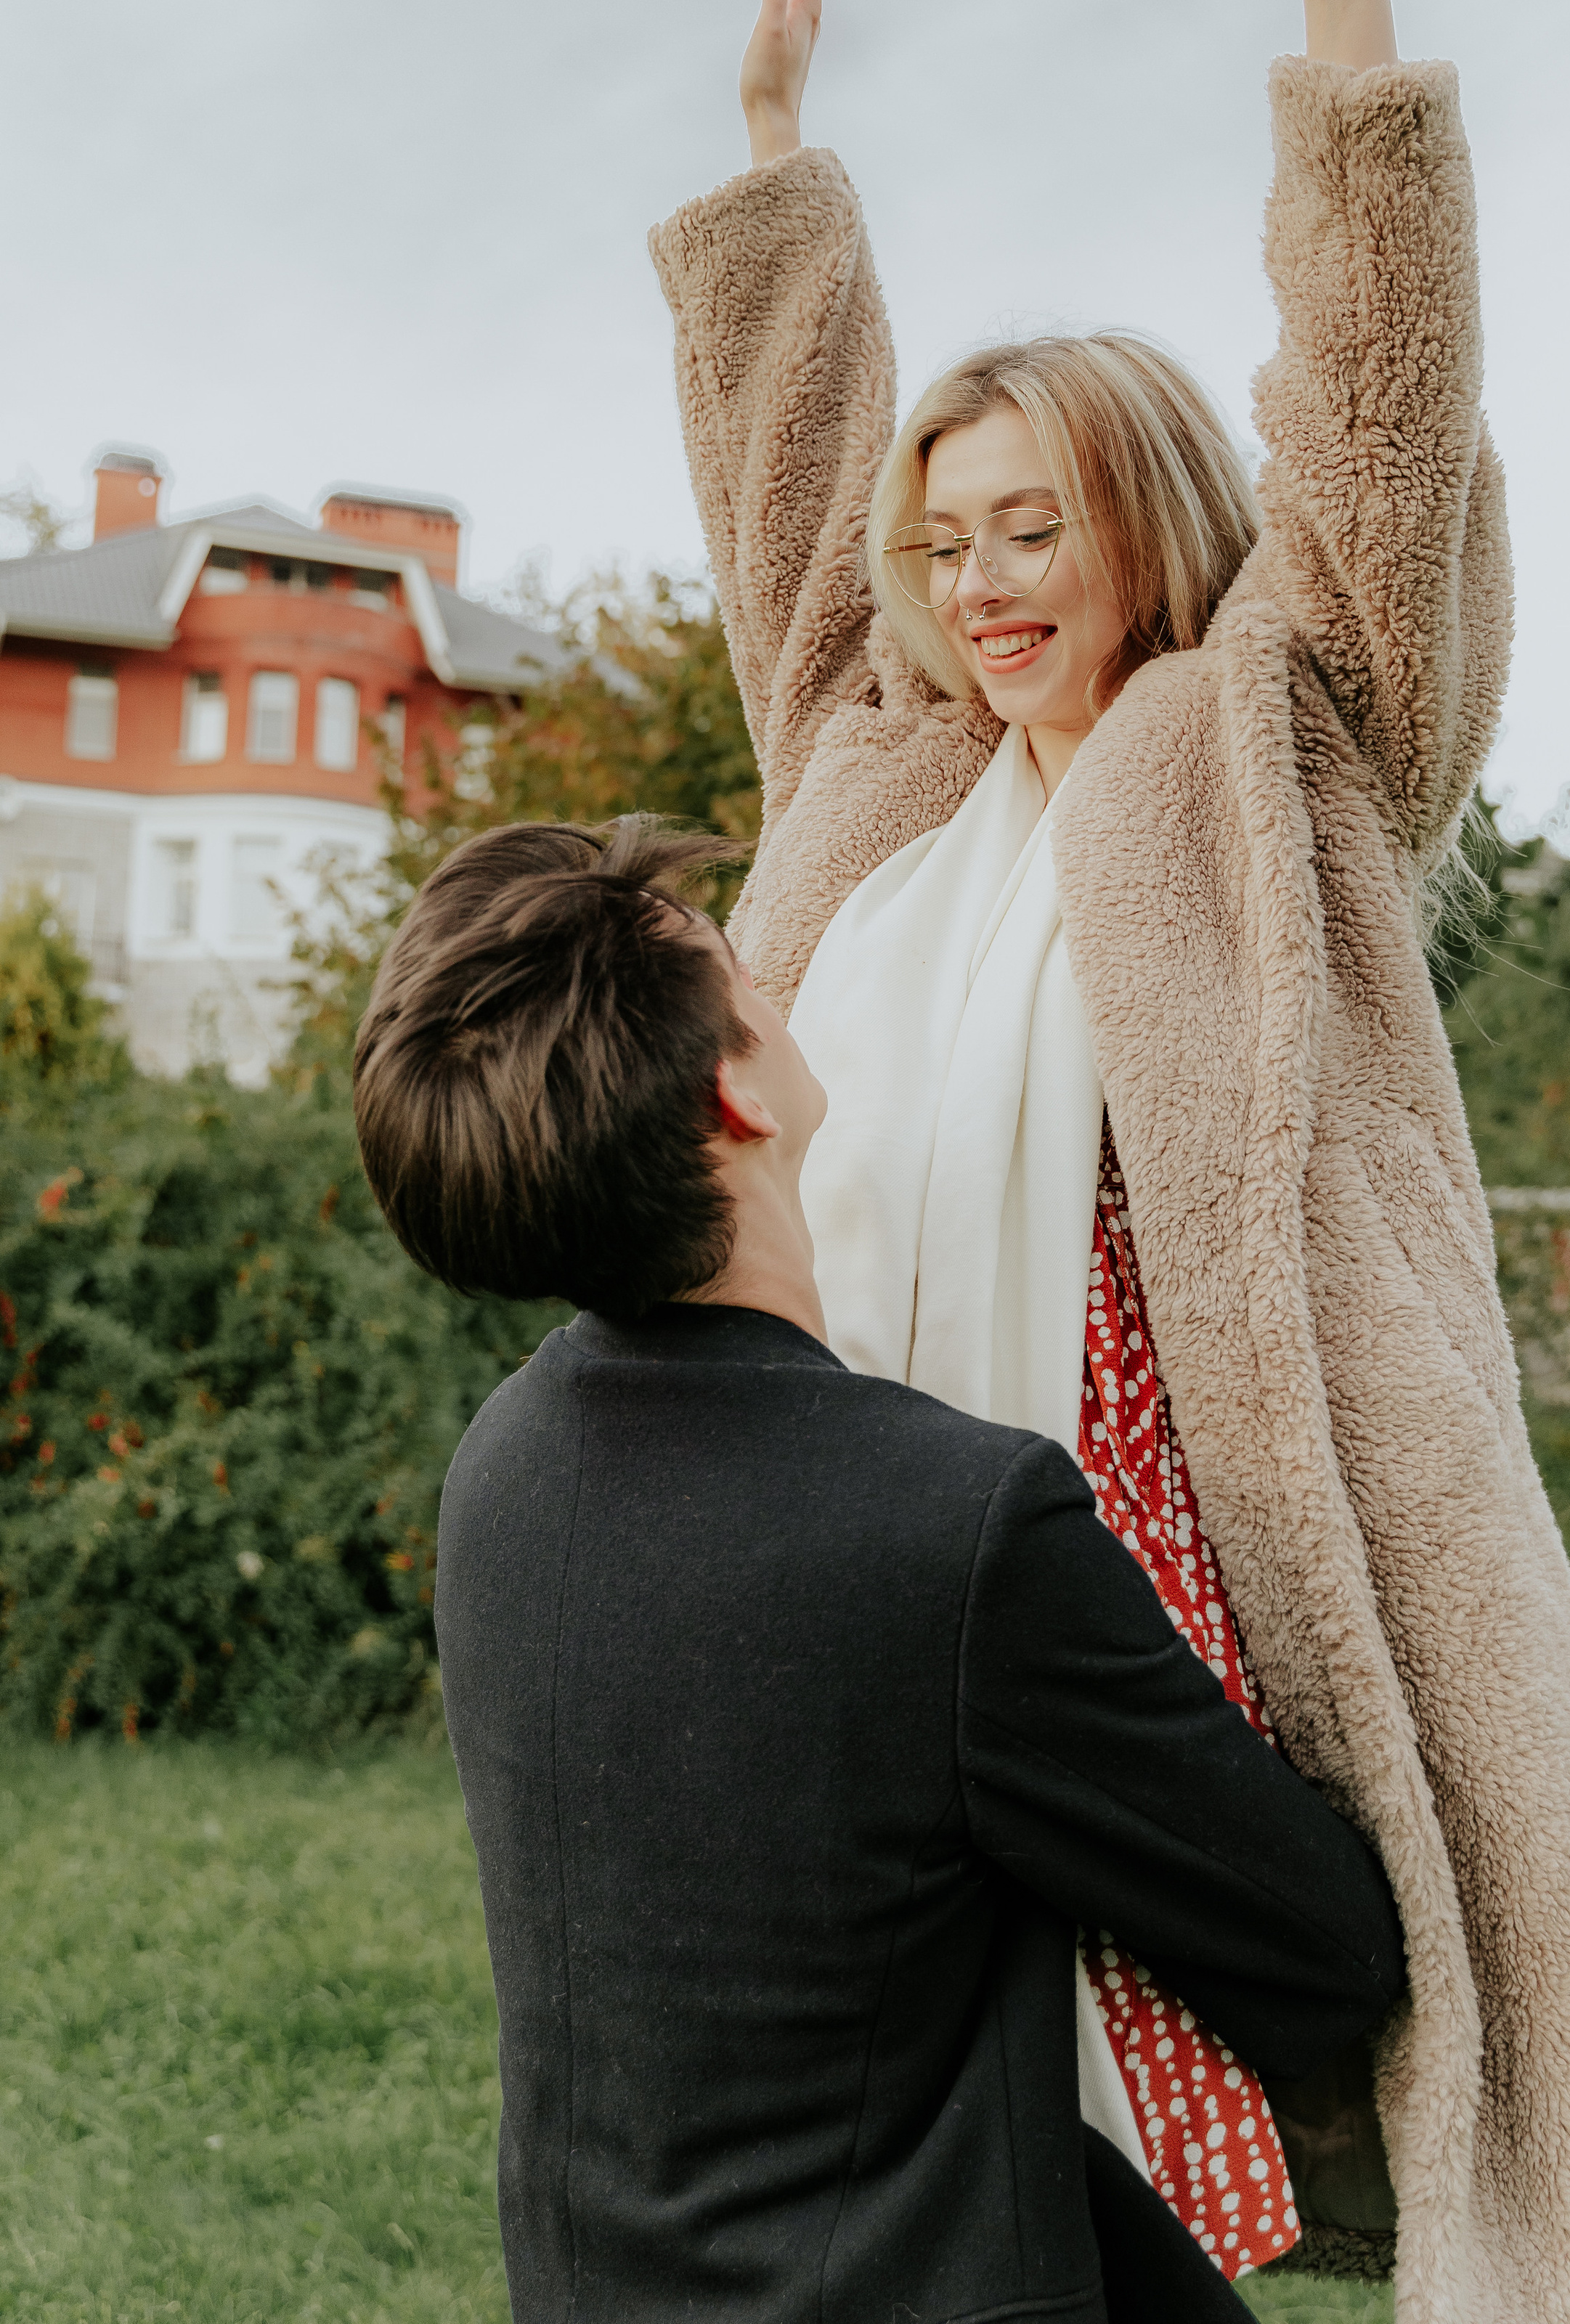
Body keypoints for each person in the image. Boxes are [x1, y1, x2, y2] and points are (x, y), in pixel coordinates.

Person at [647, 0, 1570, 2323]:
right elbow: (793, 510)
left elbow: (1379, 435)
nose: (982, 582)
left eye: (1034, 525)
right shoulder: (878, 781)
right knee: (928, 2177)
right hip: (851, 1586)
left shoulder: (1278, 751)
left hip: (1145, 1592)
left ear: (1144, 512)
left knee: (1141, 2167)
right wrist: (776, 160)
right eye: (952, 543)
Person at [351, 816, 1409, 2324]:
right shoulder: (952, 1526)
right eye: (739, 972)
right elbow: (1318, 1946)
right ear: (734, 1092)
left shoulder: (502, 1472)